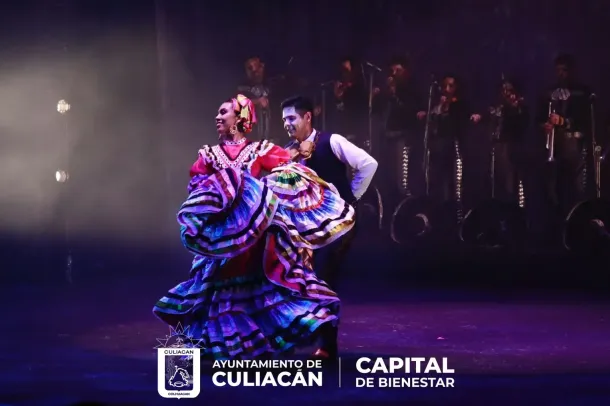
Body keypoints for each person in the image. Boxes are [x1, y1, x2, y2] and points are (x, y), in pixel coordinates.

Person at [153, 94, 356, 360]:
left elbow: (288, 170)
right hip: (224, 237)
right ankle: (228, 347)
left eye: (223, 112)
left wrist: (262, 194)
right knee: (218, 289)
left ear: (240, 118)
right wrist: (219, 193)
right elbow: (197, 186)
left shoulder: (260, 150)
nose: (217, 117)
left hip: (253, 237)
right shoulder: (209, 155)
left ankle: (281, 343)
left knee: (262, 289)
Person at [281, 95, 377, 358]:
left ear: (307, 116)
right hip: (304, 230)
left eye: (292, 118)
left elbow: (368, 164)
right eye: (284, 120)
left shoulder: (331, 141)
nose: (287, 124)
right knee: (296, 279)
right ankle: (296, 338)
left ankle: (327, 345)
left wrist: (350, 197)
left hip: (337, 227)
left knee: (323, 279)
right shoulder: (288, 150)